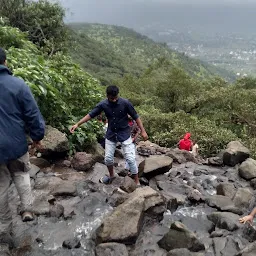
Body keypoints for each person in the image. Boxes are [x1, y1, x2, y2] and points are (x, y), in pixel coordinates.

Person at [0, 48, 45, 249]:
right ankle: (27, 209)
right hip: (16, 144)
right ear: (5, 62)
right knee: (21, 174)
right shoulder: (18, 85)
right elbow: (32, 115)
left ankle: (4, 228)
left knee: (0, 186)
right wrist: (37, 138)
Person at [70, 85, 148, 185]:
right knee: (108, 159)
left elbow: (136, 117)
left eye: (115, 98)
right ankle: (112, 176)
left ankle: (136, 181)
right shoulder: (103, 104)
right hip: (111, 133)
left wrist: (143, 131)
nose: (114, 100)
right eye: (112, 98)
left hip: (124, 133)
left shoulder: (125, 103)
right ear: (107, 96)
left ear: (117, 95)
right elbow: (91, 114)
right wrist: (77, 124)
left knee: (130, 159)